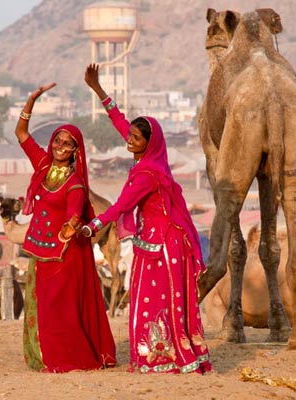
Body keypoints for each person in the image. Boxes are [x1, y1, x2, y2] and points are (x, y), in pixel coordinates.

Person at [82, 64, 211, 374]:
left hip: (163, 245)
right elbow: (120, 122)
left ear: (147, 143)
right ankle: (165, 354)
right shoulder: (150, 159)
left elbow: (120, 206)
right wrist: (98, 90)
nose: (130, 140)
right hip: (153, 241)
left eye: (136, 138)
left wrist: (92, 226)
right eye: (131, 136)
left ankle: (164, 357)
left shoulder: (147, 173)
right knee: (153, 301)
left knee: (153, 302)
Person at [15, 83, 117, 372]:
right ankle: (45, 355)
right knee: (41, 304)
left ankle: (65, 357)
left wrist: (71, 225)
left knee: (58, 308)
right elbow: (21, 134)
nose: (61, 147)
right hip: (41, 249)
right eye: (58, 141)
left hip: (63, 253)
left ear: (76, 151)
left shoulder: (74, 183)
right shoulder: (43, 165)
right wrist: (31, 99)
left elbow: (74, 213)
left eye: (67, 144)